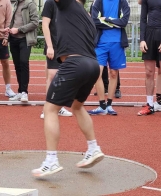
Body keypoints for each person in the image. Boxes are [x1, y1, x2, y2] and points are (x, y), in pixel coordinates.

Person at [32, 0, 104, 177]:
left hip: (75, 64)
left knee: (49, 110)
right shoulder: (86, 15)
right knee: (77, 106)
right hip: (92, 65)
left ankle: (51, 161)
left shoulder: (68, 4)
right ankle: (94, 148)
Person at [88, 0, 130, 116]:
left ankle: (109, 105)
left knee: (113, 73)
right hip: (100, 44)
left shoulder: (123, 2)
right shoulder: (98, 2)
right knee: (97, 73)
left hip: (117, 43)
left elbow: (124, 22)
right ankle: (102, 105)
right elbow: (95, 20)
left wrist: (106, 19)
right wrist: (114, 22)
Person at [40, 0, 72, 119]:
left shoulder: (71, 3)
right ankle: (47, 108)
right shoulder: (50, 3)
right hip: (54, 45)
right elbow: (45, 24)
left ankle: (59, 107)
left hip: (67, 45)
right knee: (52, 75)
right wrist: (49, 46)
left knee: (64, 76)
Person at [7, 0, 39, 102]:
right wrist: (8, 33)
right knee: (17, 65)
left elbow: (35, 22)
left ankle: (24, 92)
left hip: (25, 39)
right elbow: (13, 21)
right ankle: (20, 91)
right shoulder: (16, 4)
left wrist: (19, 29)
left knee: (24, 62)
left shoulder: (31, 4)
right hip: (13, 39)